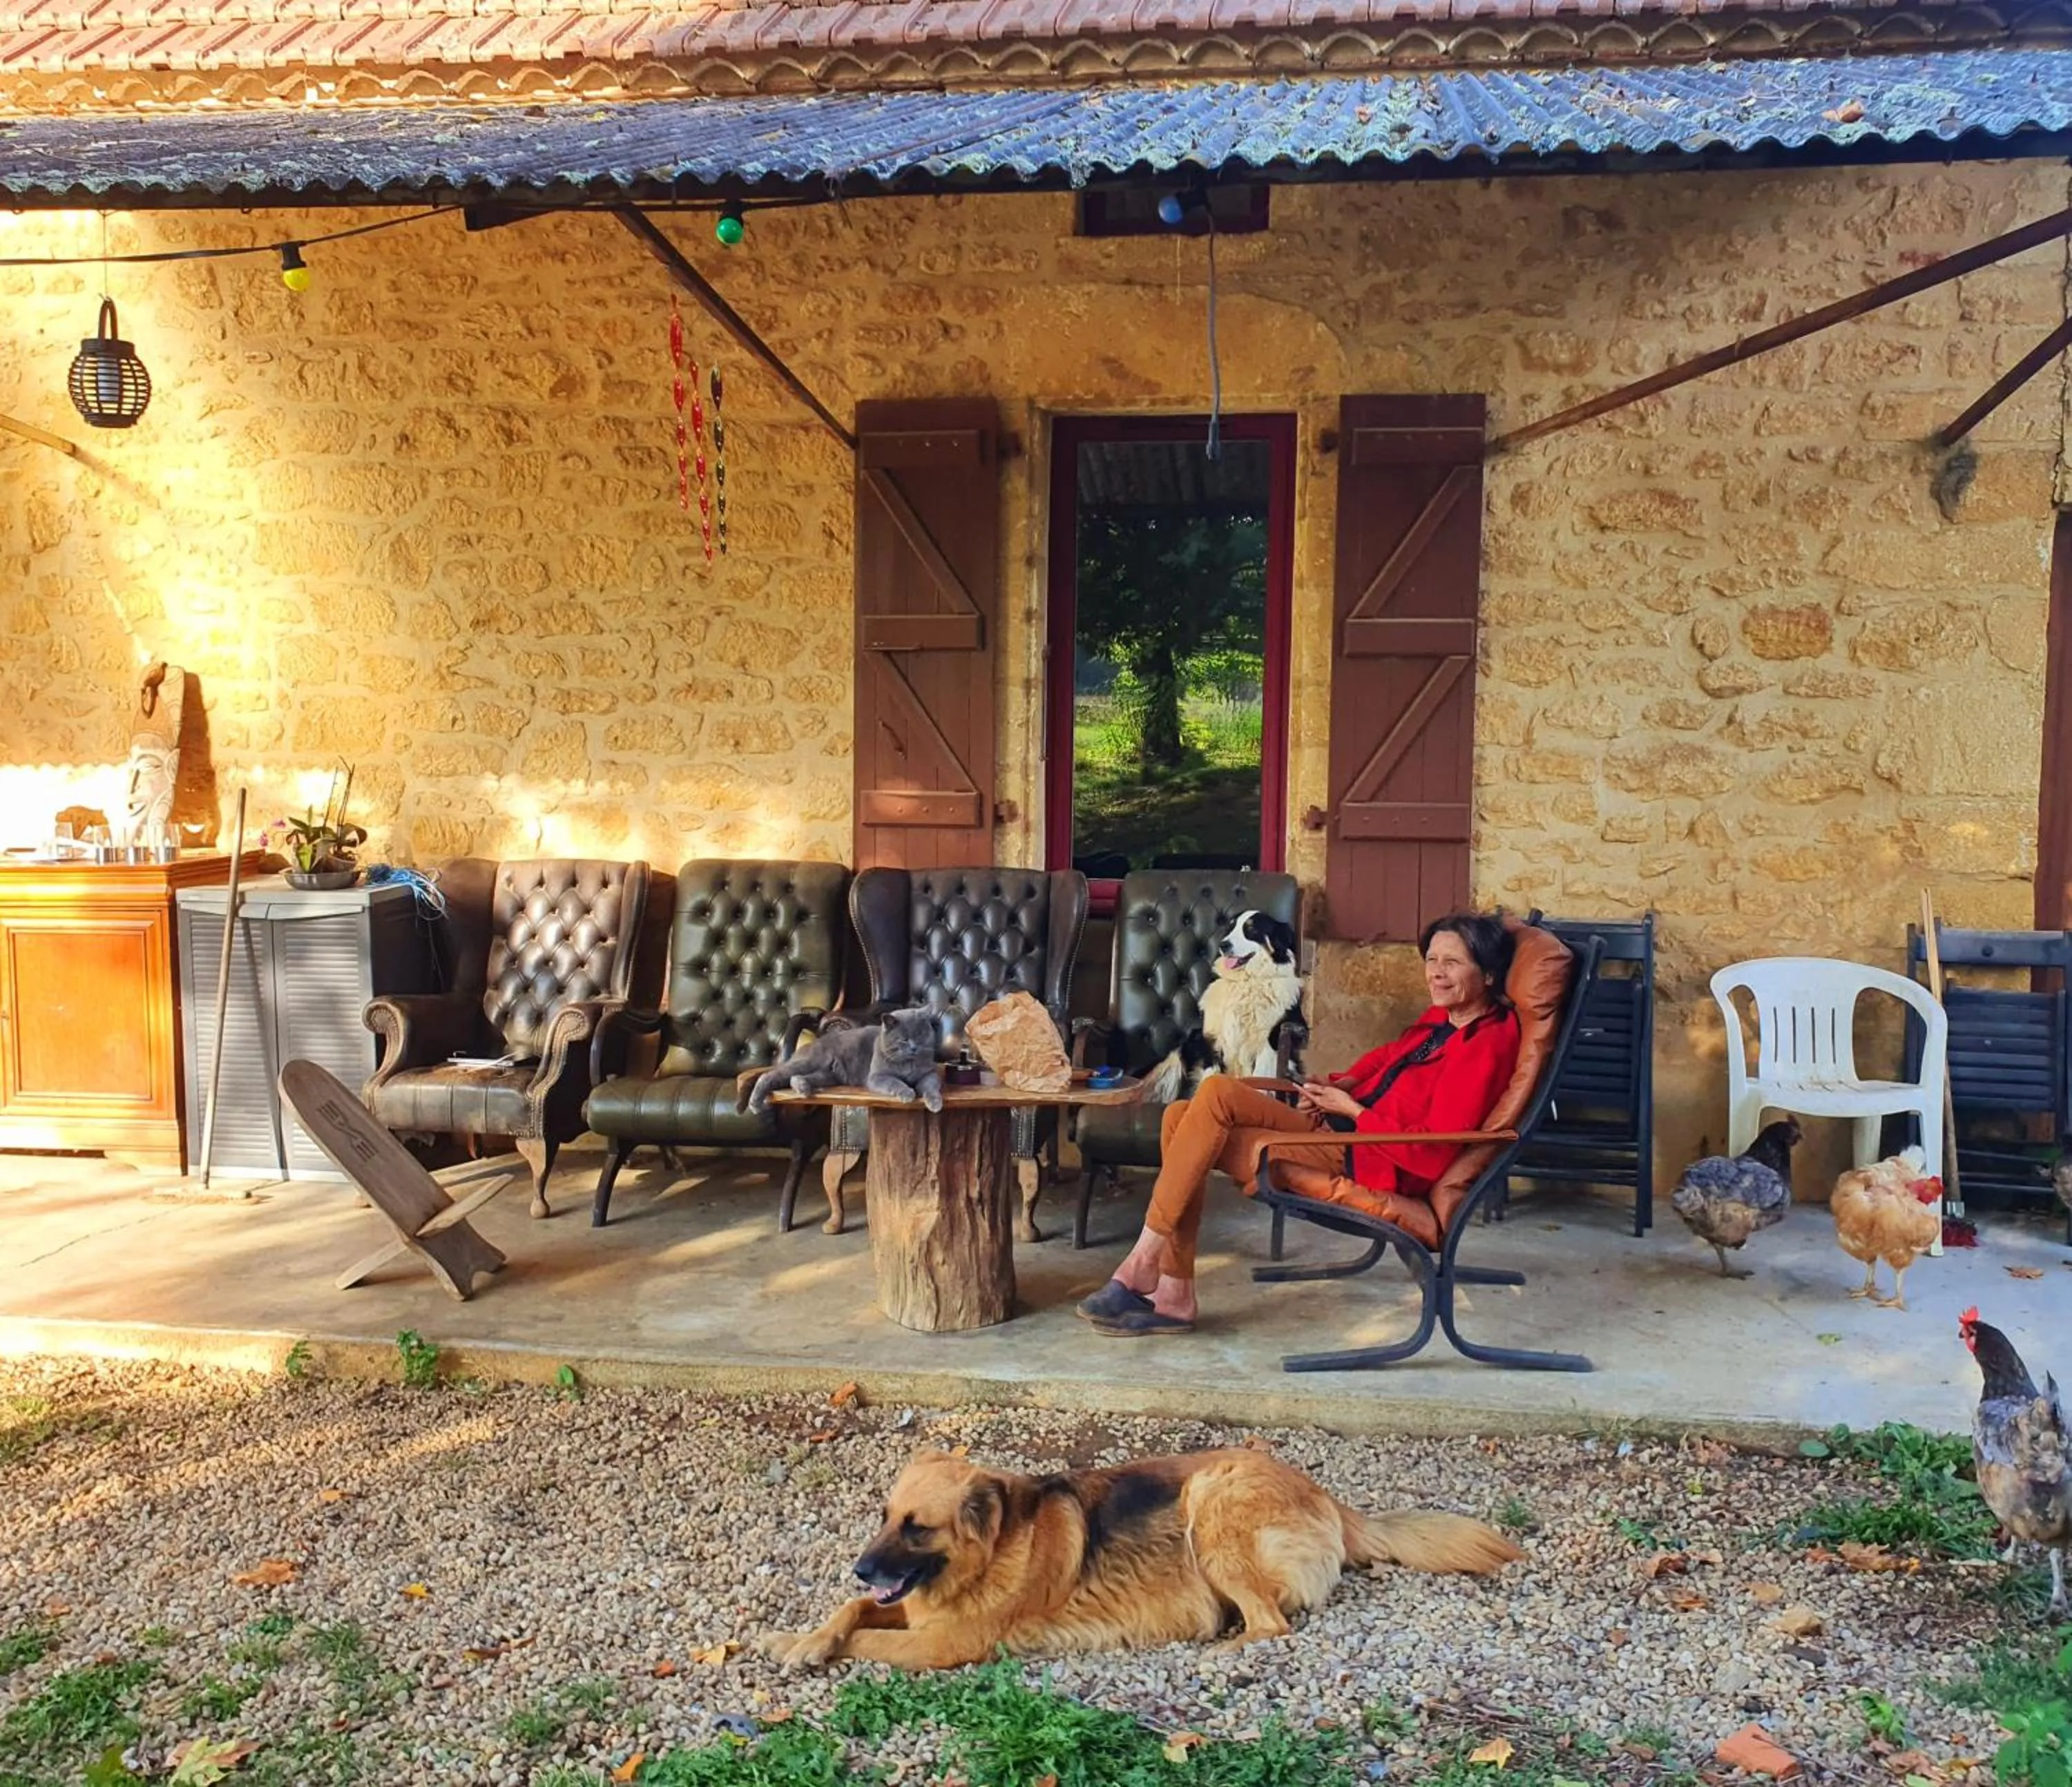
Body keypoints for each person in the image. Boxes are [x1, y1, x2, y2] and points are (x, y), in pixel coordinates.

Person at [1077, 911, 1522, 1337]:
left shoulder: (1487, 1045)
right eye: (1431, 960)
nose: (1436, 973)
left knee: (1202, 1106)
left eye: (1452, 963)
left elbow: (1433, 1154)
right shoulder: (1441, 1021)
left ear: (1487, 975)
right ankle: (1172, 1288)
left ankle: (1147, 1267)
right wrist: (1334, 1086)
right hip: (1341, 1130)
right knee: (1184, 1112)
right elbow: (1387, 1059)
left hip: (1371, 1158)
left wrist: (1353, 1111)